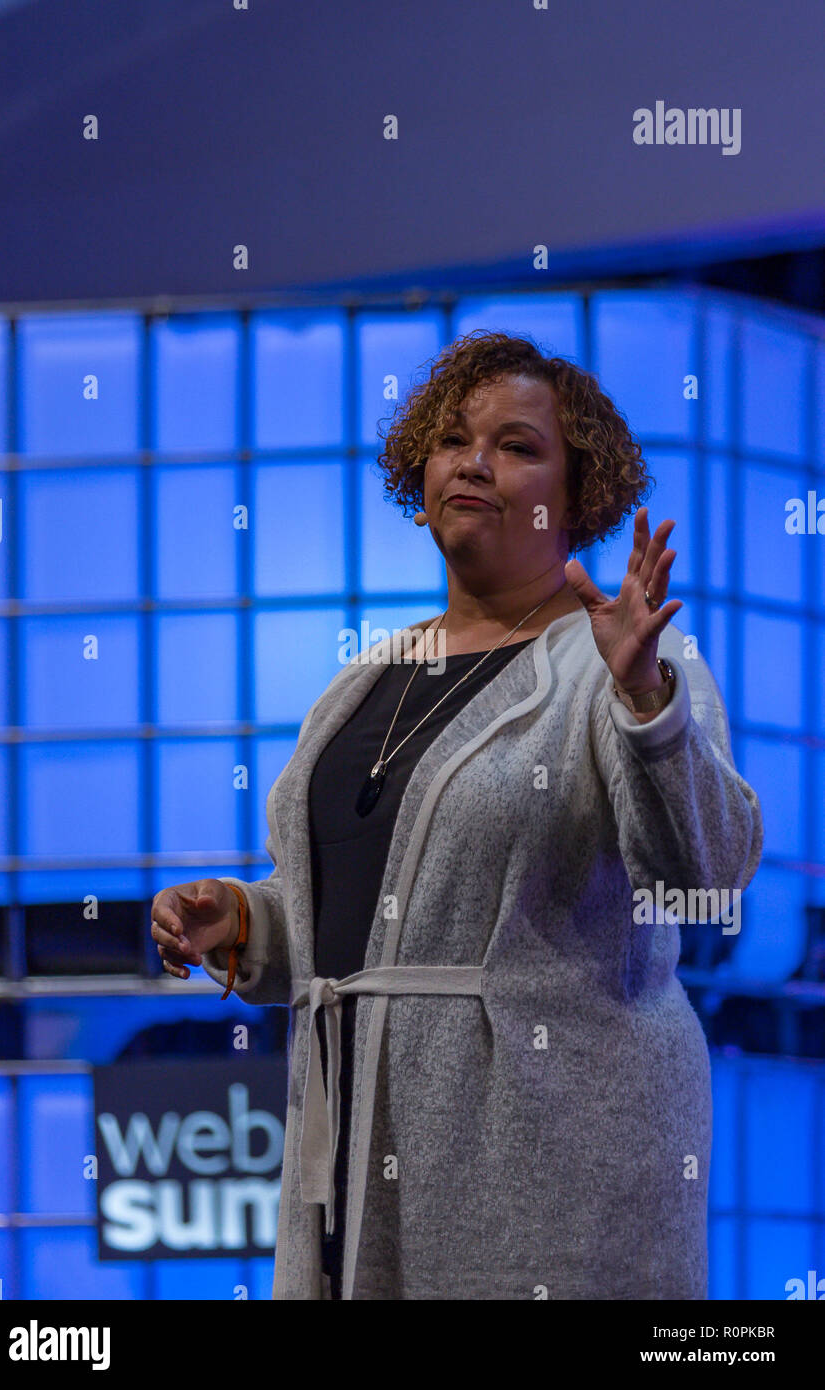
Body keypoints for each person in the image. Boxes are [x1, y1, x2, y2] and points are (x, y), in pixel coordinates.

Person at [151, 330, 763, 1300]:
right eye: (450, 439)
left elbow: (702, 875)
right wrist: (251, 922)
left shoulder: (615, 664)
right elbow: (375, 901)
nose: (473, 461)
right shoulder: (362, 683)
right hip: (356, 1159)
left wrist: (646, 703)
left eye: (516, 445)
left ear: (575, 494)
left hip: (543, 1182)